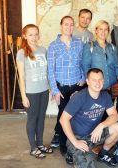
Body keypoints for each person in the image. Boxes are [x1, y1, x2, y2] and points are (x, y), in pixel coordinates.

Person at [60, 68, 118, 168]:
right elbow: (63, 120)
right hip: (78, 138)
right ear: (88, 81)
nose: (98, 83)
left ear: (103, 80)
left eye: (100, 79)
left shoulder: (105, 95)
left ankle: (102, 154)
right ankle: (72, 152)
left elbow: (114, 116)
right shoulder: (79, 97)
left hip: (95, 134)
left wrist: (101, 126)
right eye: (94, 80)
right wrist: (75, 142)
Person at [47, 16, 85, 160]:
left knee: (76, 117)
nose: (69, 27)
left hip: (76, 87)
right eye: (66, 24)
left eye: (71, 25)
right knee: (64, 118)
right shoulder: (53, 46)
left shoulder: (78, 43)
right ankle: (64, 148)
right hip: (62, 89)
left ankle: (76, 143)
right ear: (61, 26)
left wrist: (82, 77)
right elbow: (50, 71)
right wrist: (55, 91)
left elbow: (81, 63)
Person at [16, 24, 53, 159]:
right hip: (31, 92)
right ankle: (33, 148)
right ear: (25, 36)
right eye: (30, 34)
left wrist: (51, 89)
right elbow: (22, 77)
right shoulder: (21, 53)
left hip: (44, 90)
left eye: (36, 34)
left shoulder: (43, 50)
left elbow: (48, 71)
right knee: (32, 119)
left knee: (41, 118)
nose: (34, 37)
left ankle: (40, 144)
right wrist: (24, 96)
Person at [83, 20, 118, 90]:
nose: (103, 32)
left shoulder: (112, 47)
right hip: (97, 87)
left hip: (113, 86)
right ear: (96, 30)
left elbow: (116, 65)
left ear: (108, 31)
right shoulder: (89, 47)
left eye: (106, 29)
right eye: (101, 29)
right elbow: (86, 67)